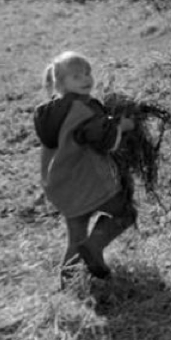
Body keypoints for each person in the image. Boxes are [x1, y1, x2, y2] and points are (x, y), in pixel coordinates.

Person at [33, 51, 136, 288]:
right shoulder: (83, 109)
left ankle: (67, 286)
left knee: (75, 237)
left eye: (87, 73)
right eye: (76, 76)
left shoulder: (49, 113)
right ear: (61, 83)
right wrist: (123, 125)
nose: (85, 79)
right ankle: (95, 247)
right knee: (125, 214)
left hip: (63, 187)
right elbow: (105, 140)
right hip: (89, 183)